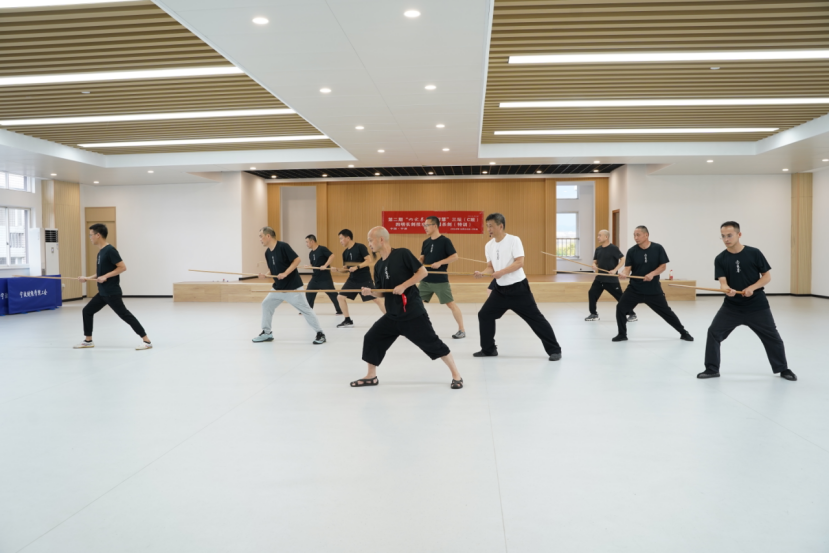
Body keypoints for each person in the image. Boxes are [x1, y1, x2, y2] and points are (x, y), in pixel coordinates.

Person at [351, 227, 463, 389]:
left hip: (412, 313)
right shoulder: (378, 266)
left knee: (433, 344)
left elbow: (422, 272)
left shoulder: (402, 254)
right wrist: (371, 292)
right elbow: (382, 292)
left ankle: (456, 375)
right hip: (392, 315)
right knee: (372, 338)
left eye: (370, 240)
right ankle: (371, 376)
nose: (369, 244)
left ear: (381, 239)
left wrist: (404, 285)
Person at [698, 222, 796, 381]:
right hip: (732, 307)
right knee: (714, 333)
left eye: (729, 235)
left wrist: (752, 287)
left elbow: (766, 277)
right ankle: (711, 369)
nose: (726, 239)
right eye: (723, 236)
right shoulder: (720, 258)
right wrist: (727, 289)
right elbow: (723, 283)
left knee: (772, 337)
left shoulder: (754, 253)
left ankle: (783, 369)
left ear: (739, 234)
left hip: (757, 305)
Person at [473, 213, 562, 361]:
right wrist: (482, 273)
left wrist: (501, 272)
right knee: (484, 315)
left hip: (518, 289)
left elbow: (519, 262)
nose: (488, 229)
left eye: (491, 226)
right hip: (500, 290)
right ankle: (488, 350)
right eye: (487, 226)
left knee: (536, 319)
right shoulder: (489, 245)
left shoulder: (514, 240)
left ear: (500, 226)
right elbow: (490, 267)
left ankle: (555, 350)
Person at [75, 223, 152, 350]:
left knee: (125, 315)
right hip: (103, 292)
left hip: (111, 292)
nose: (90, 237)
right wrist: (87, 278)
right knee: (87, 311)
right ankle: (88, 340)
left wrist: (106, 276)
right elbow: (100, 274)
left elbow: (122, 267)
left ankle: (146, 340)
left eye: (91, 235)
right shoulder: (101, 252)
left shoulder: (110, 250)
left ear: (98, 235)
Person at [613, 226, 694, 342]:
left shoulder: (658, 248)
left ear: (646, 235)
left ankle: (683, 332)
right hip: (635, 289)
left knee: (667, 312)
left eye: (638, 235)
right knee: (620, 308)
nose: (635, 238)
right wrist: (623, 274)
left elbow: (663, 266)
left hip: (653, 290)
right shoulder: (632, 251)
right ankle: (622, 334)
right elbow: (627, 269)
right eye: (634, 235)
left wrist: (652, 274)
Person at [252, 227, 326, 345]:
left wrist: (285, 273)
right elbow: (272, 269)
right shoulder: (267, 252)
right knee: (266, 304)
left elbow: (297, 260)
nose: (260, 239)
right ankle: (267, 332)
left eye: (261, 236)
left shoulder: (283, 246)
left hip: (293, 287)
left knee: (306, 310)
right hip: (278, 288)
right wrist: (265, 275)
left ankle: (320, 334)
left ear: (268, 236)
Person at [419, 216, 466, 339]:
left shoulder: (445, 241)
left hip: (440, 280)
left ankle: (461, 330)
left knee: (451, 304)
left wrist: (440, 263)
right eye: (424, 225)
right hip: (425, 279)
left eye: (427, 225)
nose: (425, 227)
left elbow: (454, 256)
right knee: (416, 303)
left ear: (435, 226)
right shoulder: (426, 242)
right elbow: (422, 258)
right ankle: (415, 328)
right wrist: (416, 263)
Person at [333, 229, 385, 328]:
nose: (340, 241)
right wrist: (337, 270)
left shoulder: (360, 247)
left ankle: (391, 319)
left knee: (376, 300)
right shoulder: (345, 253)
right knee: (340, 297)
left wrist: (357, 267)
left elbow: (368, 260)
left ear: (348, 238)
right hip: (352, 280)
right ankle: (348, 320)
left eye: (341, 238)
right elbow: (346, 269)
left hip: (364, 279)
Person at [585, 230, 637, 322]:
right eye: (598, 235)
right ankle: (593, 314)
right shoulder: (598, 249)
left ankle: (632, 314)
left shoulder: (613, 248)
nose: (598, 237)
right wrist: (594, 265)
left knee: (620, 297)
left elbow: (623, 259)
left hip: (611, 279)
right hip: (600, 278)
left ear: (606, 237)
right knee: (592, 293)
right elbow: (595, 261)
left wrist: (615, 270)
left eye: (600, 235)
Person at [304, 234, 342, 315]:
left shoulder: (322, 249)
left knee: (332, 294)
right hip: (315, 278)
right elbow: (313, 265)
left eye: (307, 242)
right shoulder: (311, 253)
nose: (306, 244)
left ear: (312, 241)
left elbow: (332, 256)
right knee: (309, 292)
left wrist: (325, 265)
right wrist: (309, 267)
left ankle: (340, 309)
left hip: (325, 278)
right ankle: (307, 310)